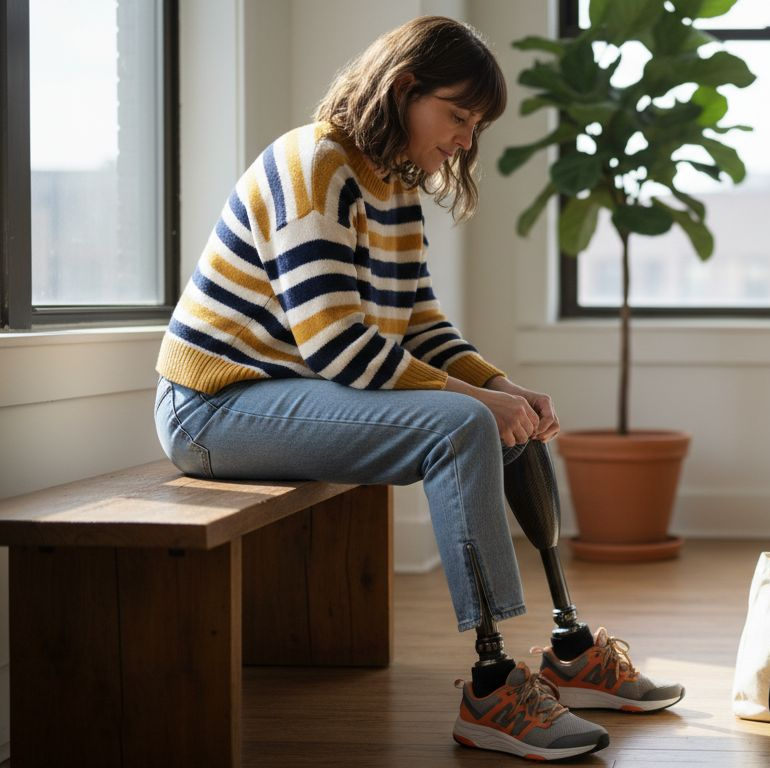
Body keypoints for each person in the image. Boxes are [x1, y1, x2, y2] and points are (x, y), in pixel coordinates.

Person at [152, 15, 681, 762]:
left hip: (286, 396)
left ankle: (568, 646)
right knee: (462, 424)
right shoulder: (314, 166)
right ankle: (494, 686)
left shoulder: (392, 183)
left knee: (507, 418)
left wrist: (504, 387)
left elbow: (419, 325)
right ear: (403, 89)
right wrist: (476, 405)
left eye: (475, 125)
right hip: (214, 408)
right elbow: (338, 348)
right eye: (457, 116)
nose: (466, 139)